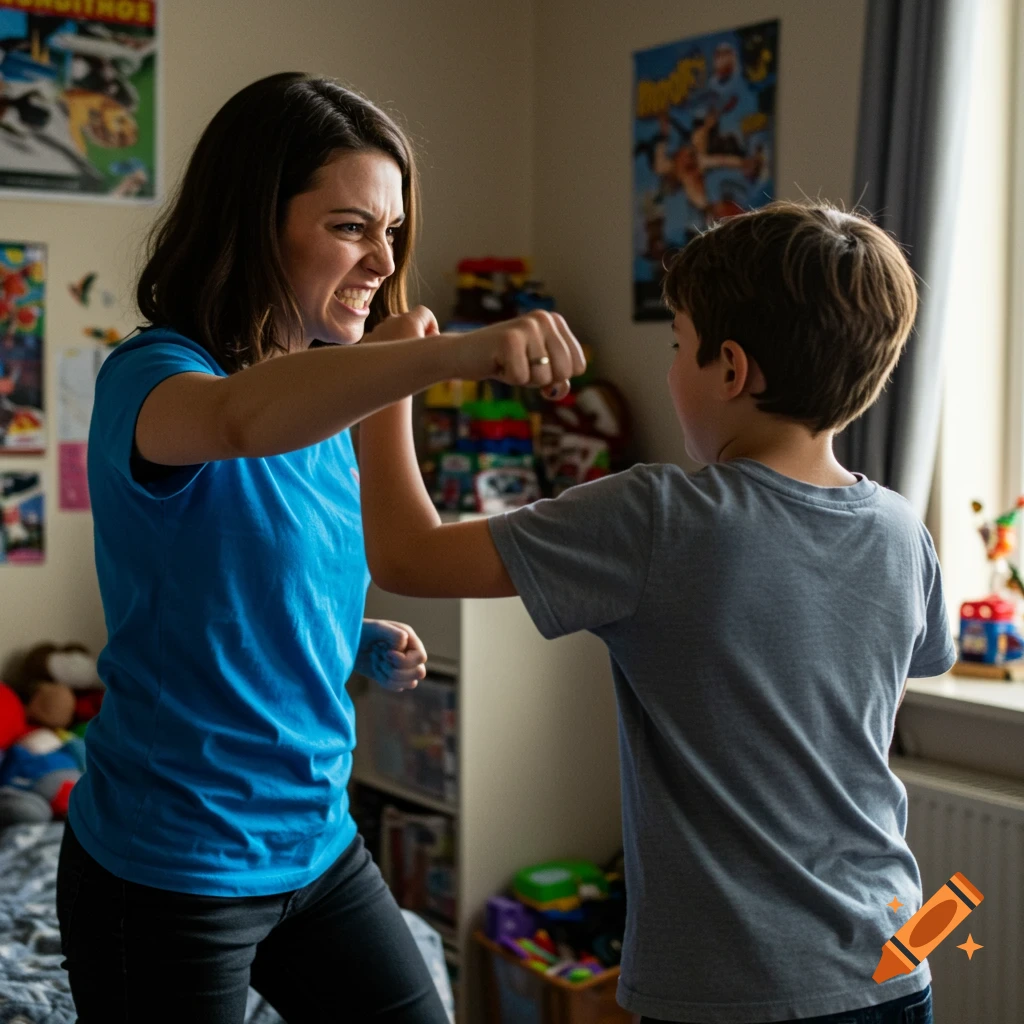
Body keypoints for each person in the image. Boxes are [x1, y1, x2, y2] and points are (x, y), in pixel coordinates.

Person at [57, 71, 584, 1024]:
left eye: (392, 231)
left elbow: (323, 562)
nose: (383, 260)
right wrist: (441, 354)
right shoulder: (157, 378)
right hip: (174, 869)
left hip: (317, 848)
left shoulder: (333, 402)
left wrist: (348, 631)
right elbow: (240, 424)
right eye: (350, 227)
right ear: (254, 221)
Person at [357, 201, 953, 1024]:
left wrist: (391, 381)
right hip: (896, 962)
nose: (671, 369)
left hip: (734, 990)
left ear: (732, 369)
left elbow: (406, 557)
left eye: (678, 346)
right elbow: (917, 661)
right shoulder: (901, 531)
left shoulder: (657, 519)